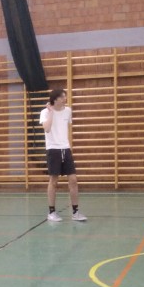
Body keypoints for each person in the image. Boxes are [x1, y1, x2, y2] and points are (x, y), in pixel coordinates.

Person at [40, 89, 87, 222]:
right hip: (52, 150)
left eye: (65, 97)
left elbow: (64, 128)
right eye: (62, 97)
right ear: (55, 99)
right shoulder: (45, 112)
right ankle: (51, 212)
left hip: (65, 149)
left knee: (73, 180)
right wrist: (50, 112)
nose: (65, 99)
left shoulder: (68, 111)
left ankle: (75, 212)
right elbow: (47, 129)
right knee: (53, 181)